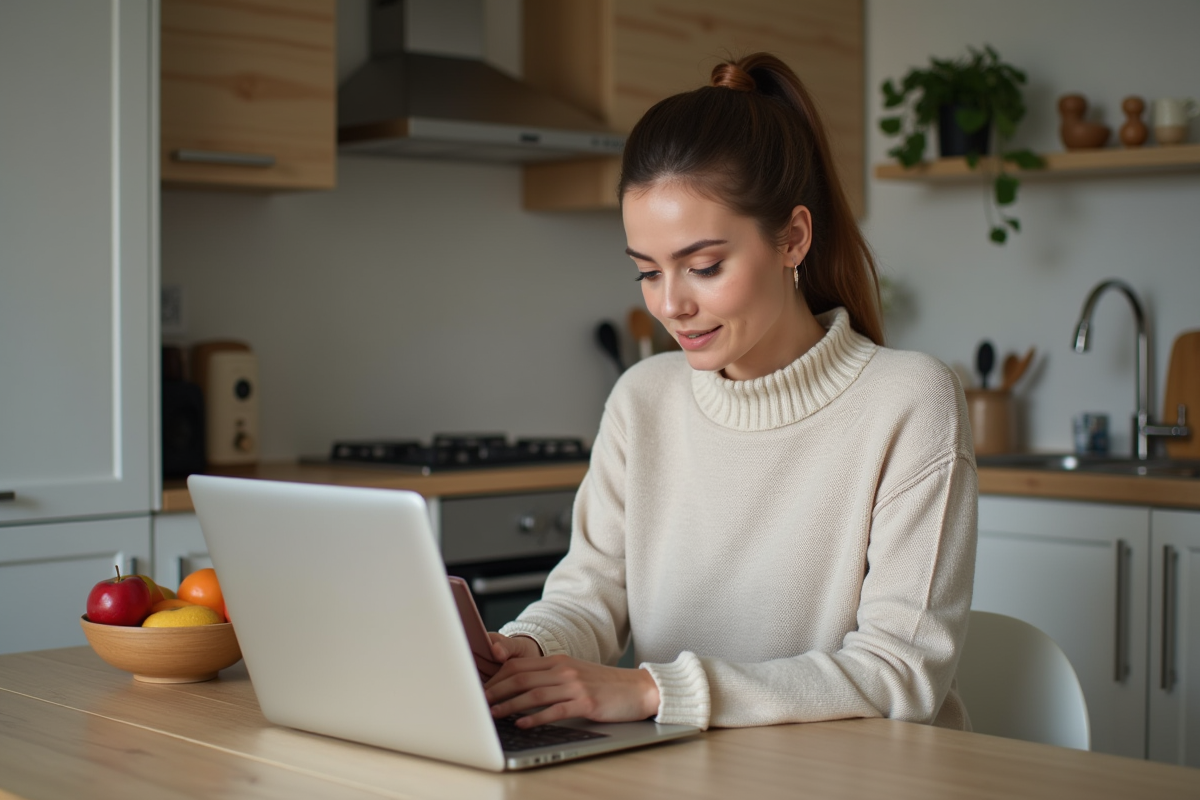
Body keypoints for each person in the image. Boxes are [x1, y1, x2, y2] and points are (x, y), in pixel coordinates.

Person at [484, 53, 977, 732]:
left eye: (705, 266)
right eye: (647, 274)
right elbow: (589, 596)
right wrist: (522, 648)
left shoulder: (910, 400)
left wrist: (659, 692)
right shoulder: (642, 399)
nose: (672, 305)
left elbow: (902, 673)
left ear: (792, 239)